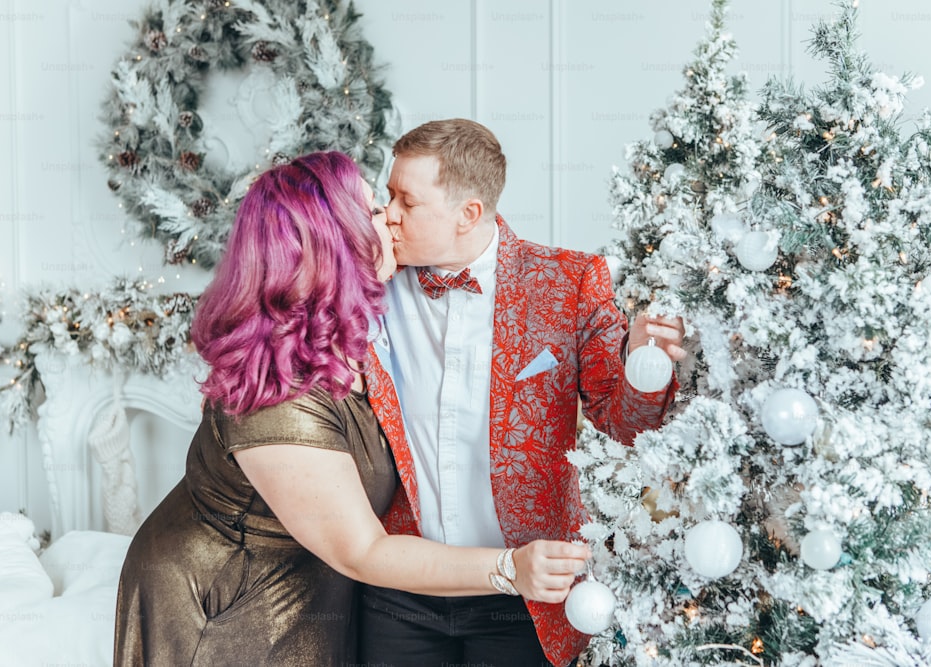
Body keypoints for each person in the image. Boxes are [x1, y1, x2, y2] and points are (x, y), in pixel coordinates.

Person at [112, 151, 591, 666]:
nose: (389, 216)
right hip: (228, 598)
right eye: (371, 208)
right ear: (330, 245)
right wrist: (508, 569)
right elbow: (363, 551)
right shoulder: (280, 395)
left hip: (316, 582)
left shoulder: (349, 329)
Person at [358, 120, 688, 667]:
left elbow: (624, 425)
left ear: (467, 214)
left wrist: (641, 366)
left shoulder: (571, 281)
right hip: (401, 589)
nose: (386, 213)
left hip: (526, 591)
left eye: (405, 201)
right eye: (388, 195)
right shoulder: (375, 280)